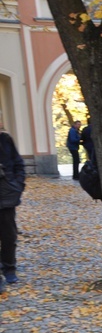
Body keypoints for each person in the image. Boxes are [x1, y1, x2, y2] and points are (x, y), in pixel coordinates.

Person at [0, 122, 26, 286]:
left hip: (7, 195)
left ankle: (9, 268)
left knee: (9, 235)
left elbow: (18, 164)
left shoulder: (5, 140)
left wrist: (18, 185)